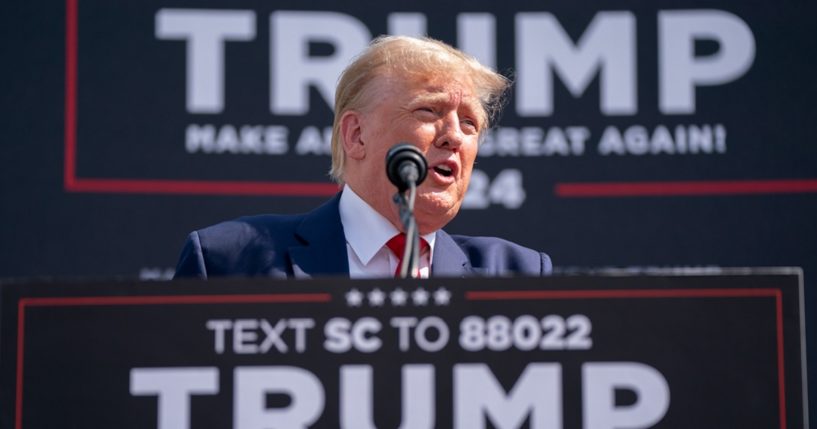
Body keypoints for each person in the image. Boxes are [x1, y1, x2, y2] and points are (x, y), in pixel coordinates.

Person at [174, 35, 551, 279]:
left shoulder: (519, 275)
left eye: (470, 123)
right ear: (356, 135)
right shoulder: (231, 262)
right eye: (429, 112)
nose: (454, 136)